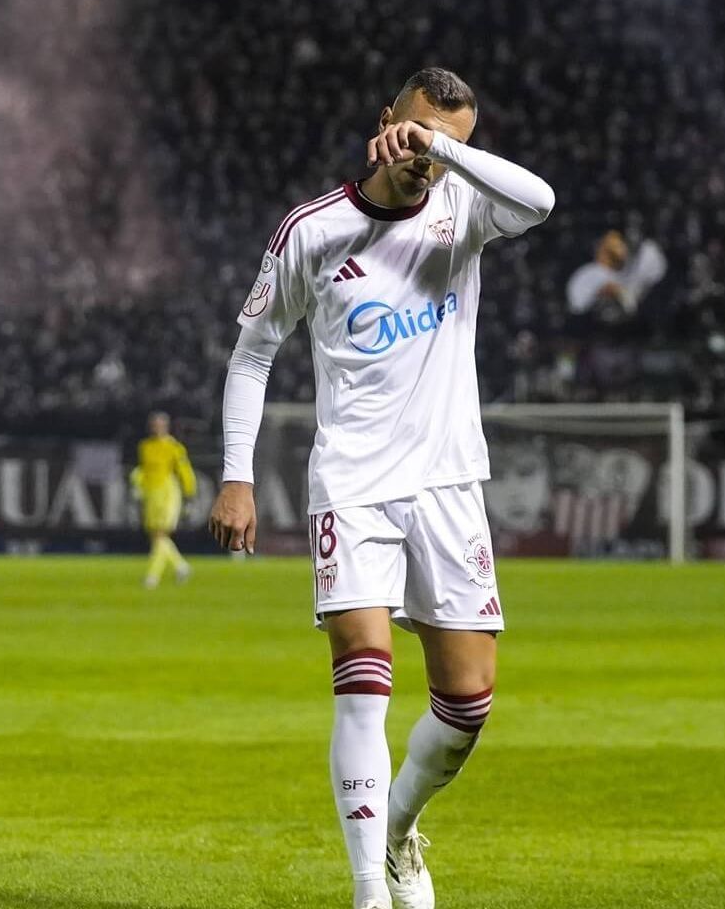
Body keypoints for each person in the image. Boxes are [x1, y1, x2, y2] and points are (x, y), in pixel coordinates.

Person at [209, 67, 555, 909]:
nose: (426, 158)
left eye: (448, 144)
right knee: (365, 680)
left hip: (447, 483)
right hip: (354, 485)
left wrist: (445, 151)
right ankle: (369, 890)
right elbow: (254, 354)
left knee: (467, 703)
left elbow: (542, 201)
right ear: (381, 123)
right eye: (416, 133)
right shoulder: (312, 231)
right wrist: (237, 475)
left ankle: (398, 832)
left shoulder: (462, 207)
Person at [131, 411, 197, 588]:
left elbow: (185, 471)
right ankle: (181, 566)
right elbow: (143, 470)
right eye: (154, 424)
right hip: (150, 494)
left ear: (166, 427)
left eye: (159, 424)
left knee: (161, 534)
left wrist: (189, 494)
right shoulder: (145, 446)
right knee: (156, 536)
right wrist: (137, 485)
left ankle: (152, 576)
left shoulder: (174, 447)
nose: (156, 428)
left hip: (168, 493)